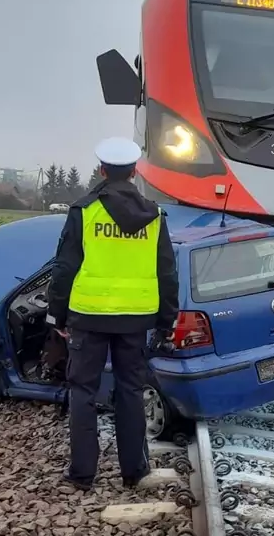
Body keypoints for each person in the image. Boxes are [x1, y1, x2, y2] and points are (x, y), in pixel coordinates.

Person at [45, 137, 179, 491]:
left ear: (102, 170)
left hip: (88, 317)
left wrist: (57, 314)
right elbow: (167, 271)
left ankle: (82, 475)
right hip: (136, 319)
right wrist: (167, 320)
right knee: (131, 391)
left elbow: (64, 267)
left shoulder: (84, 211)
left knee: (83, 392)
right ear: (134, 172)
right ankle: (134, 471)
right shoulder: (155, 216)